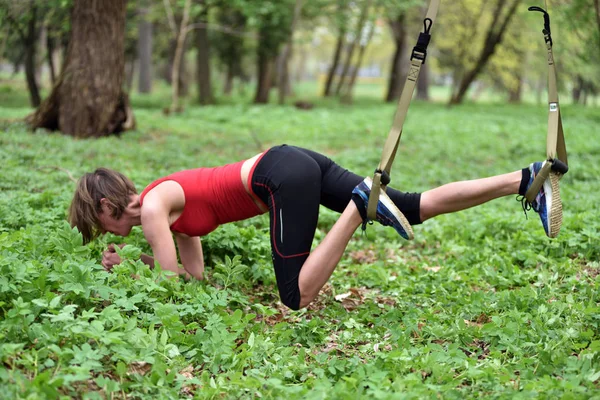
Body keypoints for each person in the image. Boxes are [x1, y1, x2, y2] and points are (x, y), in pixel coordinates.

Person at [68, 144, 562, 310]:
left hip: (278, 175)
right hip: (291, 162)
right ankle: (523, 181)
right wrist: (146, 269)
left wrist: (123, 276)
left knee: (295, 295)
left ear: (109, 205)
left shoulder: (153, 208)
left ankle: (358, 206)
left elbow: (167, 284)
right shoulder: (170, 215)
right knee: (409, 205)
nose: (105, 235)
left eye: (97, 226)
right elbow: (191, 280)